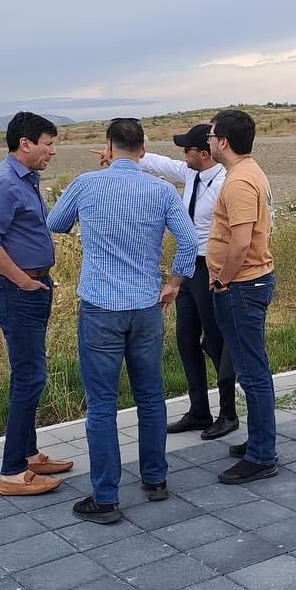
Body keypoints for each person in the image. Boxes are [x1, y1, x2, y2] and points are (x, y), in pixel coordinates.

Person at [47, 118, 198, 523]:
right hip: (147, 306)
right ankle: (155, 478)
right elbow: (189, 240)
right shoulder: (161, 189)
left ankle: (106, 497)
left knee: (102, 404)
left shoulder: (86, 184)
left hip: (100, 306)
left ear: (108, 148)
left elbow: (55, 223)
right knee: (150, 395)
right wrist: (175, 282)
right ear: (143, 151)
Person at [0, 111, 74, 497]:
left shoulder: (26, 179)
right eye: (48, 144)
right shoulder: (3, 183)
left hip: (33, 285)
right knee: (30, 376)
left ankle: (29, 455)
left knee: (28, 372)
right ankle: (13, 472)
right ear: (25, 143)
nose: (53, 151)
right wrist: (23, 281)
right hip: (18, 290)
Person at [131, 125, 238, 439]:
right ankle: (199, 411)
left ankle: (228, 413)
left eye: (186, 149)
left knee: (216, 342)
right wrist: (123, 155)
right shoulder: (192, 173)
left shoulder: (224, 183)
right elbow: (160, 164)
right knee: (186, 340)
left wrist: (224, 276)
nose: (182, 155)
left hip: (211, 268)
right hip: (188, 268)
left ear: (203, 153)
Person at [207, 109, 280, 485]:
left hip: (241, 287)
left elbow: (240, 242)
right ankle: (259, 441)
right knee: (252, 370)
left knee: (252, 373)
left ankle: (262, 456)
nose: (207, 141)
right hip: (248, 283)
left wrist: (222, 280)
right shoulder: (248, 172)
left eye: (211, 135)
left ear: (223, 142)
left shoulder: (238, 181)